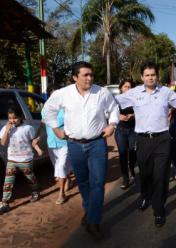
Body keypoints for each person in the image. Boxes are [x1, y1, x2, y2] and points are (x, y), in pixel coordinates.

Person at [42, 61, 119, 240]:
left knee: (98, 182)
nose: (89, 78)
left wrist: (112, 125)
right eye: (85, 75)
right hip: (74, 145)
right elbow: (48, 111)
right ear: (75, 77)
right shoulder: (63, 94)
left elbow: (114, 109)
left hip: (97, 144)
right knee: (83, 182)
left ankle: (93, 222)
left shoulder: (102, 92)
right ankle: (90, 211)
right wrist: (55, 129)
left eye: (91, 74)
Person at [115, 61, 176, 227]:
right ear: (141, 77)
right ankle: (145, 196)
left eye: (153, 75)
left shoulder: (166, 92)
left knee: (160, 175)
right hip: (143, 140)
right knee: (145, 174)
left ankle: (159, 210)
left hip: (162, 140)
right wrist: (115, 118)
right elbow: (112, 102)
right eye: (147, 75)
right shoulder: (134, 92)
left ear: (157, 76)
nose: (150, 78)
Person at [0, 105, 43, 214]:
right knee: (7, 182)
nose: (12, 120)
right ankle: (5, 202)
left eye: (14, 118)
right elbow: (3, 143)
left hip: (25, 159)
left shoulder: (27, 128)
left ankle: (35, 191)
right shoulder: (6, 128)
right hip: (12, 160)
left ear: (20, 117)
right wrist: (7, 130)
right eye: (10, 118)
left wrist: (38, 149)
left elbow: (33, 141)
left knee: (30, 177)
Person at [41, 86, 73, 205]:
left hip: (65, 142)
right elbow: (43, 123)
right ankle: (68, 178)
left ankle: (61, 194)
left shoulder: (66, 109)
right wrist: (37, 136)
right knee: (59, 167)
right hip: (51, 143)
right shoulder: (45, 109)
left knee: (61, 166)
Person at [115, 79, 136, 189]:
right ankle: (125, 178)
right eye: (125, 87)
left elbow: (143, 111)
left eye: (130, 87)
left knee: (133, 152)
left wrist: (133, 115)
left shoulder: (136, 99)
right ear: (121, 88)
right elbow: (109, 112)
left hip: (134, 130)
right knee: (123, 154)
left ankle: (132, 168)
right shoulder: (115, 100)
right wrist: (118, 116)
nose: (128, 89)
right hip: (121, 130)